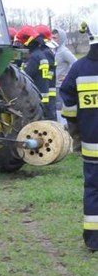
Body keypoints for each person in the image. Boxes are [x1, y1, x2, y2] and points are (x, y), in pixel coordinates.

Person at [59, 14, 98, 252]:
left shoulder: (78, 69)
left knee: (93, 190)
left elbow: (68, 107)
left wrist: (77, 131)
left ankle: (94, 240)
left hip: (92, 146)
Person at [17, 25, 54, 120]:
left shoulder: (33, 57)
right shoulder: (40, 55)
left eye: (22, 42)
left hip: (36, 99)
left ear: (28, 41)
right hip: (42, 96)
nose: (21, 45)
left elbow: (25, 77)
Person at [53, 27, 78, 125]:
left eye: (55, 38)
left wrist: (67, 77)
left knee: (60, 107)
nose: (53, 40)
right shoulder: (55, 50)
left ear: (61, 38)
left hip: (60, 85)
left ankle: (62, 128)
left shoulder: (64, 51)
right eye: (52, 37)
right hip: (54, 85)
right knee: (56, 107)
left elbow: (76, 63)